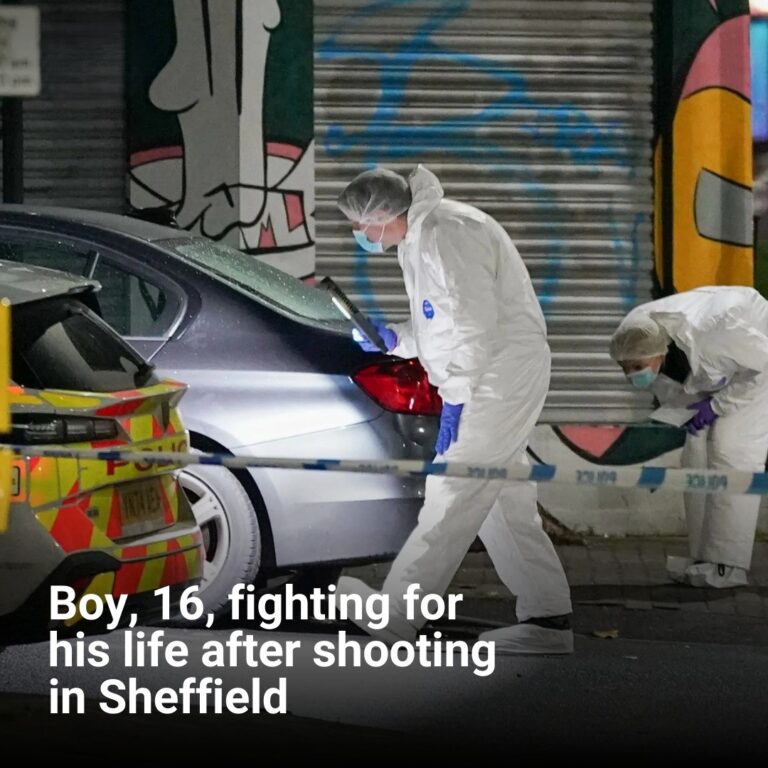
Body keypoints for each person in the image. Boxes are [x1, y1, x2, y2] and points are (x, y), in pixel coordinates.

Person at [334, 165, 573, 654]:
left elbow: (472, 327)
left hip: (496, 375)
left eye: (360, 225)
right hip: (493, 372)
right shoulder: (423, 237)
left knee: (454, 487)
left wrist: (457, 399)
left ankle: (398, 615)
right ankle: (548, 619)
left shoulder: (447, 233)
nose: (360, 235)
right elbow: (442, 323)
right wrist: (395, 338)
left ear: (382, 214)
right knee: (501, 499)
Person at [609, 286, 768, 588]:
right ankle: (704, 557)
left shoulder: (714, 330)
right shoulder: (641, 327)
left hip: (759, 370)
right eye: (625, 369)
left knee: (730, 450)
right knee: (695, 454)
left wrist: (718, 405)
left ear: (655, 353)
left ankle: (727, 566)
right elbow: (688, 376)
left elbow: (763, 366)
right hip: (729, 363)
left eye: (637, 367)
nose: (632, 375)